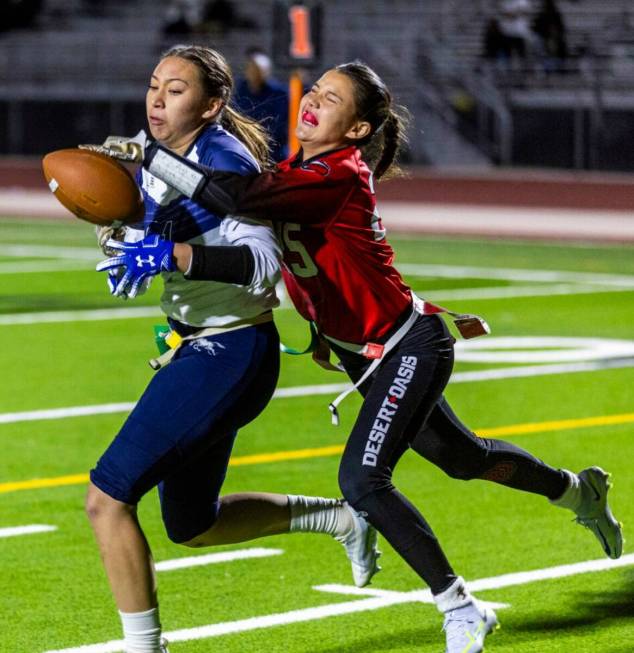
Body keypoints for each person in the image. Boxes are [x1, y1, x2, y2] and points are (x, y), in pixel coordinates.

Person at [97, 60, 623, 653]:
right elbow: (299, 256)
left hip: (408, 345)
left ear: (357, 130)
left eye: (332, 99)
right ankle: (577, 490)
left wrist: (152, 159)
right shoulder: (301, 168)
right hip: (361, 351)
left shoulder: (338, 173)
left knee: (363, 479)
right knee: (463, 457)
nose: (313, 101)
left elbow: (234, 197)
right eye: (315, 90)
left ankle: (461, 606)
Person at [82, 46, 380, 653]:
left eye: (175, 90)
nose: (157, 100)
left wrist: (170, 255)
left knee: (107, 499)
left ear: (212, 104)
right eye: (153, 86)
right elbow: (159, 224)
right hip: (196, 344)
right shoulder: (156, 150)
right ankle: (341, 518)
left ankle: (146, 648)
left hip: (232, 352)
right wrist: (122, 234)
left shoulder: (225, 162)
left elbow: (263, 263)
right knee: (192, 524)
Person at [234, 47, 290, 162]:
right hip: (244, 148)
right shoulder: (239, 90)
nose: (254, 74)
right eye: (251, 69)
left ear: (266, 72)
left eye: (258, 71)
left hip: (272, 152)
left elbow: (279, 125)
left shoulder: (279, 93)